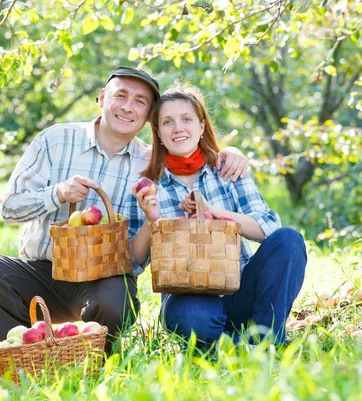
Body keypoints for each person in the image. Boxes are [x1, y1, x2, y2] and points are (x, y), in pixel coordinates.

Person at [0, 67, 249, 352]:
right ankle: (29, 349)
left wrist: (231, 154)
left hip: (104, 282)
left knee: (116, 299)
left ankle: (98, 357)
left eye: (140, 102)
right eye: (120, 95)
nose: (127, 107)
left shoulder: (151, 164)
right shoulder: (55, 140)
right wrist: (57, 193)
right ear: (101, 98)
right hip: (40, 273)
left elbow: (195, 158)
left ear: (148, 117)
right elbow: (8, 209)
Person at [129, 84, 307, 348]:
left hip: (239, 288)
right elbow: (133, 261)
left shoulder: (227, 169)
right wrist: (152, 221)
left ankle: (264, 339)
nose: (178, 128)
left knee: (289, 240)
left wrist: (215, 212)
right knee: (191, 317)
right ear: (158, 132)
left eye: (186, 119)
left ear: (201, 127)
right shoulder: (149, 186)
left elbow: (267, 229)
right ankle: (240, 344)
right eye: (168, 122)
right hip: (189, 296)